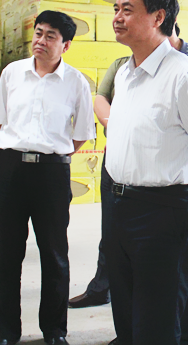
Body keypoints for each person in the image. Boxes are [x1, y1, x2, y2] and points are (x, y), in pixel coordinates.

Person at [105, 0, 188, 345]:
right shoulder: (125, 73)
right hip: (119, 205)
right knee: (127, 313)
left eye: (128, 10)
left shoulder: (185, 74)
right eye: (116, 9)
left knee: (157, 322)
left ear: (159, 17)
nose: (117, 17)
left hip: (164, 211)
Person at [0, 10, 95, 345]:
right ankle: (7, 332)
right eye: (39, 33)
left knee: (54, 254)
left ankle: (54, 331)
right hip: (12, 170)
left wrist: (53, 154)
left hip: (51, 173)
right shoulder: (12, 73)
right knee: (9, 253)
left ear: (66, 45)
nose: (41, 41)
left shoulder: (76, 82)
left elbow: (82, 134)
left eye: (50, 36)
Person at [67, 55, 129, 310]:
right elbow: (101, 98)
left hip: (161, 166)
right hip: (116, 153)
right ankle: (102, 287)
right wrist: (116, 127)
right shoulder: (122, 64)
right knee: (111, 226)